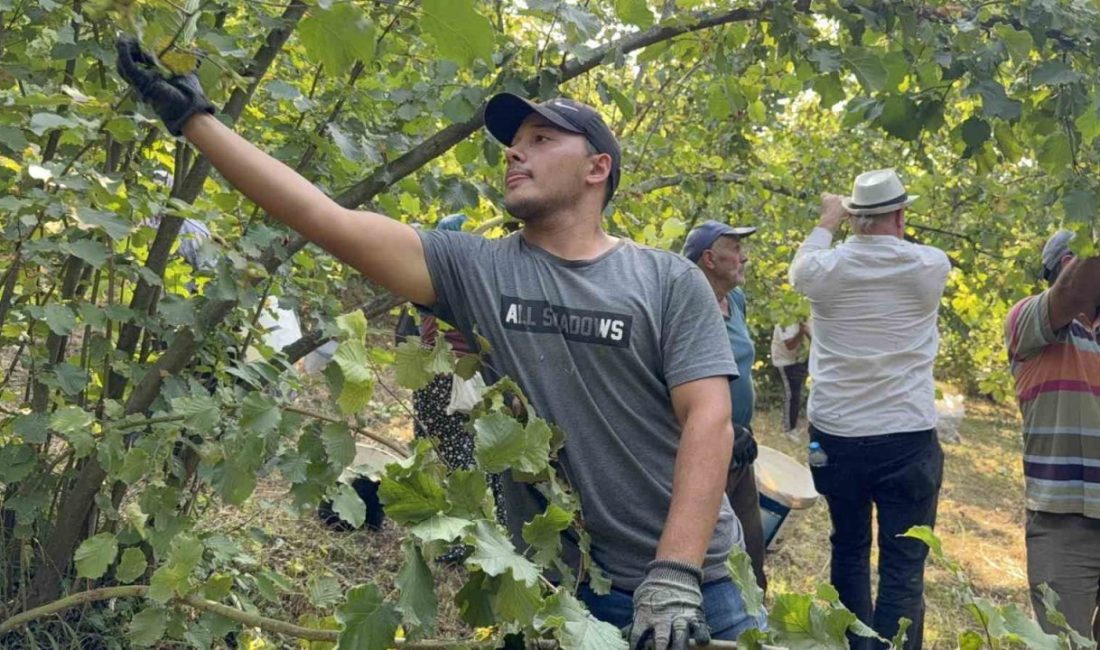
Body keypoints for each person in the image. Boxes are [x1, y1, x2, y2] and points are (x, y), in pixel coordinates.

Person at [116, 38, 765, 646]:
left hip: (702, 586)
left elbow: (708, 418)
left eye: (540, 139)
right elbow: (324, 217)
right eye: (513, 142)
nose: (515, 151)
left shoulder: (666, 278)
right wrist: (195, 119)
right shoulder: (473, 268)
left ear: (599, 167)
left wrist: (676, 571)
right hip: (568, 594)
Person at [789, 169, 950, 649]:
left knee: (849, 545)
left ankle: (852, 645)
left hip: (837, 434)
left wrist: (828, 217)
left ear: (854, 218)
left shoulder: (822, 270)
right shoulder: (930, 266)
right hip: (905, 434)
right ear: (902, 215)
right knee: (904, 562)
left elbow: (801, 267)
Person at [1005, 229, 1100, 641]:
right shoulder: (1030, 322)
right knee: (1067, 643)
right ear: (1069, 266)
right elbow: (1071, 295)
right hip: (1065, 526)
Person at [682, 220, 768, 593]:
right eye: (734, 249)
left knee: (752, 549)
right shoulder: (681, 304)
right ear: (709, 259)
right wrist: (724, 430)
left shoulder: (735, 300)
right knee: (707, 551)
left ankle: (753, 622)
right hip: (702, 448)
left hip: (740, 450)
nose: (743, 257)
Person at [771, 319, 810, 440]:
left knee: (797, 395)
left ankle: (794, 426)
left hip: (799, 359)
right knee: (792, 395)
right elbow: (790, 345)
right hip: (785, 361)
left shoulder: (804, 317)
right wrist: (802, 331)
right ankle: (789, 429)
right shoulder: (783, 320)